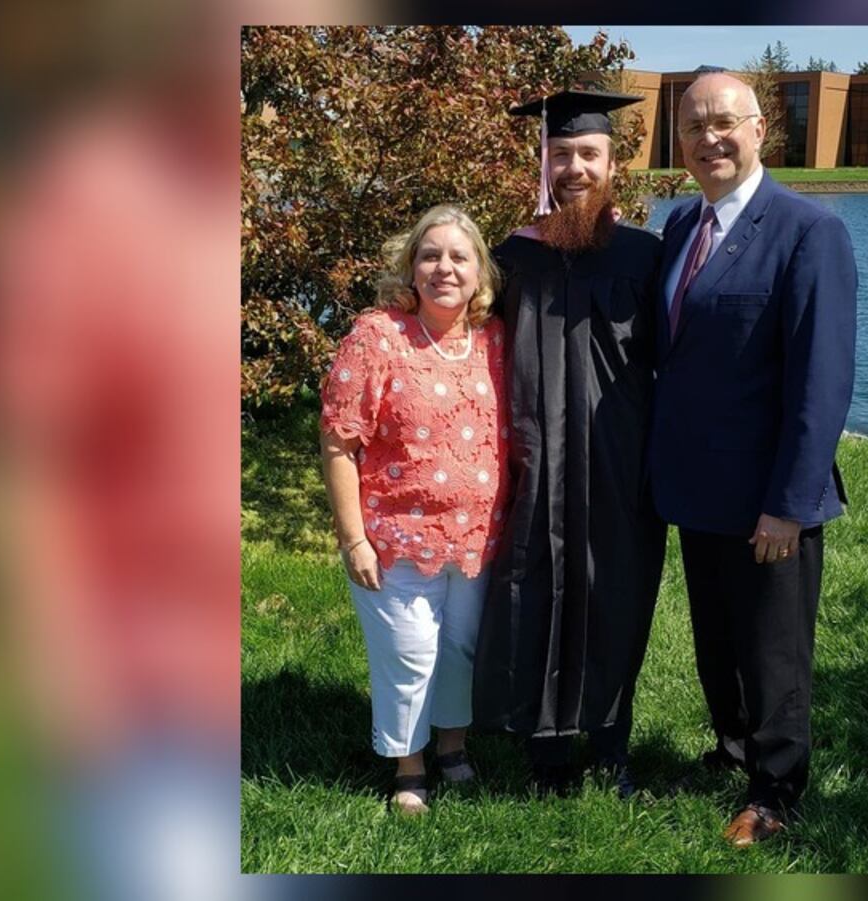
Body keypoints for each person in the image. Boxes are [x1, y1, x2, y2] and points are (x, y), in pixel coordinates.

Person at [649, 72, 857, 846]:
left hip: (770, 495)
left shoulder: (808, 231)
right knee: (718, 643)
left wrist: (790, 501)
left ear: (761, 128)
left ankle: (775, 788)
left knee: (773, 652)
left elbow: (822, 379)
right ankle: (731, 748)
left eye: (724, 123)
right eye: (694, 127)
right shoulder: (679, 227)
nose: (709, 139)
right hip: (699, 489)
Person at [472, 89, 668, 797]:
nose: (575, 167)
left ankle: (611, 746)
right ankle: (545, 752)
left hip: (620, 460)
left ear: (614, 162)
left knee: (616, 594)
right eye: (562, 155)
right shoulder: (509, 257)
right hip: (534, 458)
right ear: (545, 163)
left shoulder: (649, 255)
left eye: (589, 153)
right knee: (537, 589)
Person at [319, 204, 510, 815]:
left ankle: (452, 747)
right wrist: (353, 539)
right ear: (410, 267)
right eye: (431, 256)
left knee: (459, 648)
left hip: (480, 539)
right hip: (394, 537)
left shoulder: (495, 340)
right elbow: (339, 441)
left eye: (459, 257)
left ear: (480, 273)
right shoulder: (378, 336)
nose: (444, 268)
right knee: (409, 652)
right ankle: (408, 766)